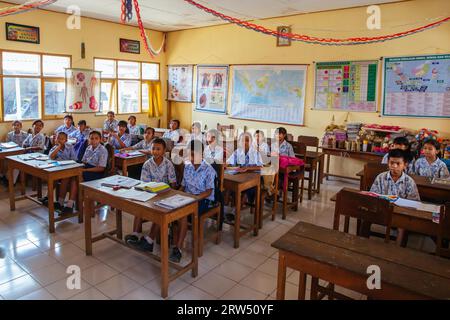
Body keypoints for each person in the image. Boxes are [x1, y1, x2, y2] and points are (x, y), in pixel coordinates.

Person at [125, 138, 177, 250]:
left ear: (164, 151)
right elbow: (144, 183)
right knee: (139, 207)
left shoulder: (168, 164)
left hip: (165, 195)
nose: (155, 151)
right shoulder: (147, 164)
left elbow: (173, 183)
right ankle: (135, 235)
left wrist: (170, 196)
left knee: (159, 212)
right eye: (153, 148)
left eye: (158, 149)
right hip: (150, 193)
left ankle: (149, 241)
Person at [172, 139, 217, 263]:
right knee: (172, 209)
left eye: (194, 155)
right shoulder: (187, 167)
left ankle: (178, 248)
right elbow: (183, 185)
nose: (191, 158)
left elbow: (208, 191)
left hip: (202, 199)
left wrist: (195, 198)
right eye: (189, 154)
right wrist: (177, 194)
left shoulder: (208, 169)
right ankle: (174, 244)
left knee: (183, 214)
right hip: (188, 197)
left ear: (201, 154)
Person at [370, 149, 420, 245]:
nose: (394, 166)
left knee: (401, 227)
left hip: (400, 214)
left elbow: (414, 203)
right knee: (366, 216)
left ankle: (397, 249)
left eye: (398, 163)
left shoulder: (409, 182)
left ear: (405, 165)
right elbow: (373, 195)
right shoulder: (380, 177)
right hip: (382, 210)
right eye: (391, 163)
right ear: (388, 163)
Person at [49, 132, 78, 214]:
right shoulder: (54, 148)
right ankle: (60, 203)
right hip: (59, 170)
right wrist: (58, 147)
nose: (59, 140)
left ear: (66, 140)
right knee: (64, 178)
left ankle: (68, 204)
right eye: (58, 138)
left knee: (66, 178)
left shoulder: (70, 147)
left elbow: (74, 159)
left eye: (62, 139)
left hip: (70, 169)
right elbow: (51, 157)